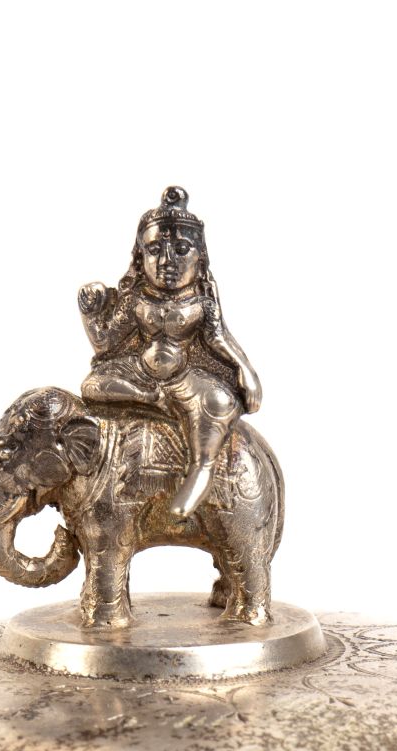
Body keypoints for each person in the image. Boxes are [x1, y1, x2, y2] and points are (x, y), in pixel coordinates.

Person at [78, 186, 261, 518]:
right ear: (140, 256)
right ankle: (150, 401)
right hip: (139, 375)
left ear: (199, 257)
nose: (166, 261)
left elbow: (218, 340)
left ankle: (201, 469)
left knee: (219, 402)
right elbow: (106, 343)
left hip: (185, 378)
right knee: (92, 385)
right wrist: (90, 312)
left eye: (181, 250)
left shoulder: (202, 302)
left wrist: (245, 372)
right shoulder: (136, 299)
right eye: (154, 250)